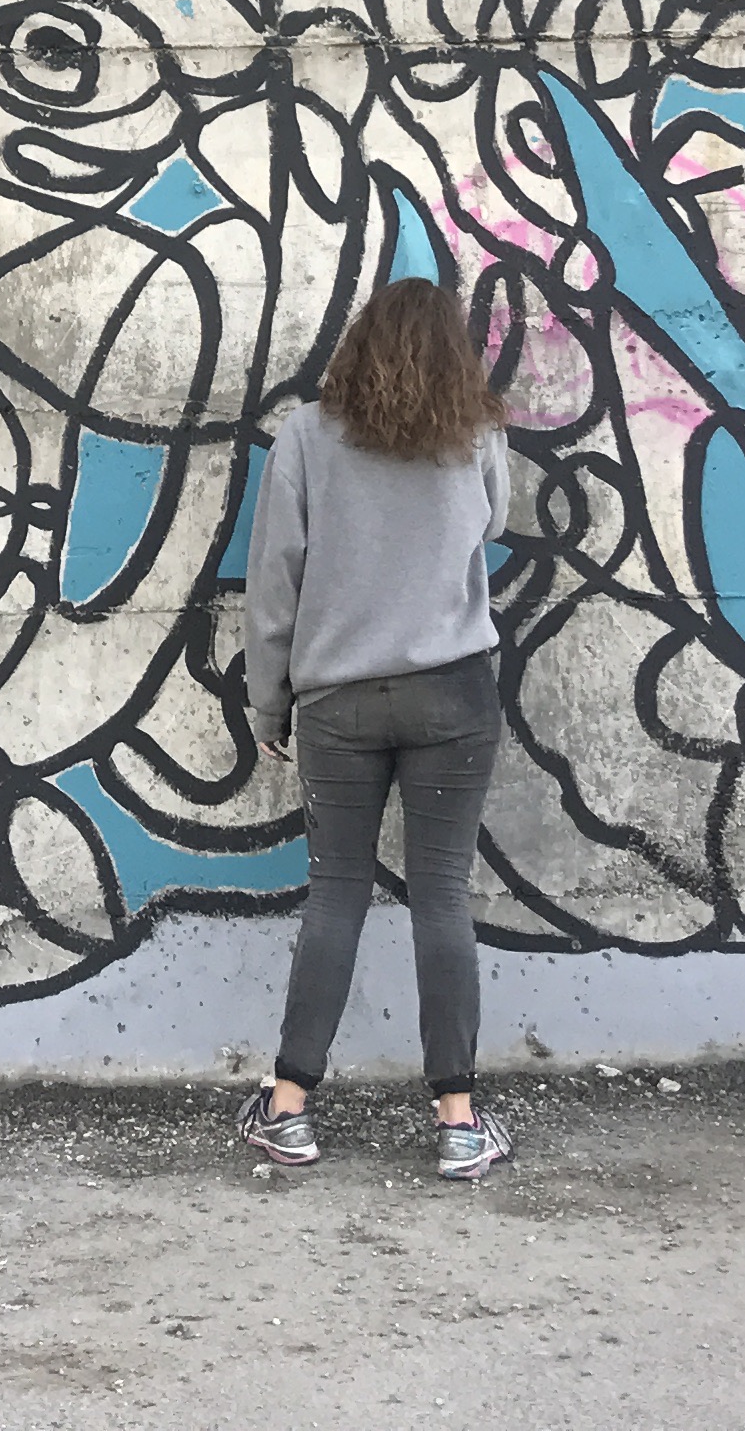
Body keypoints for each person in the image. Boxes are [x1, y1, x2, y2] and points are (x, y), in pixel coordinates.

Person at [237, 274, 516, 1180]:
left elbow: (275, 574)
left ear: (357, 343)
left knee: (336, 893)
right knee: (440, 895)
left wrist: (268, 700)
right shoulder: (475, 436)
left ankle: (288, 1111)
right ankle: (459, 1124)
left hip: (339, 702)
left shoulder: (309, 438)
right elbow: (493, 523)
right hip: (453, 692)